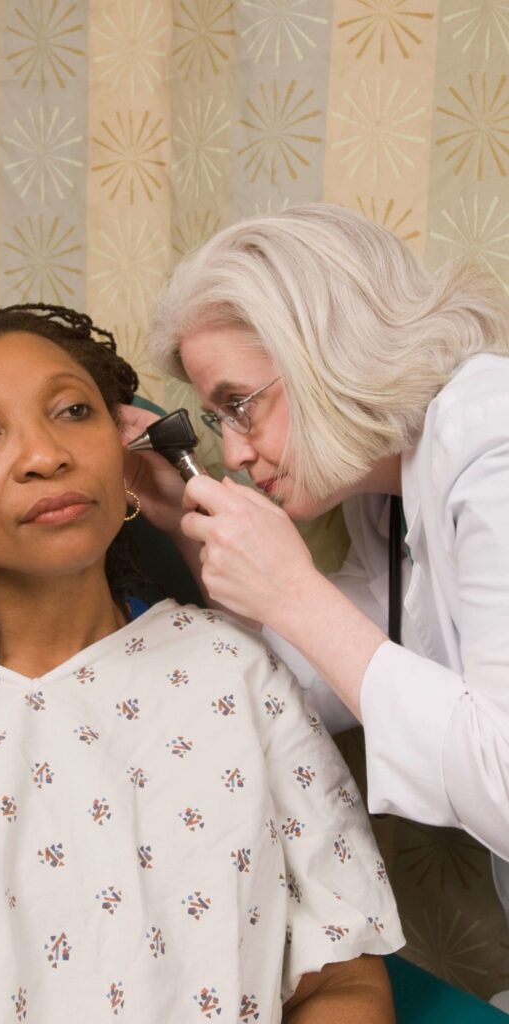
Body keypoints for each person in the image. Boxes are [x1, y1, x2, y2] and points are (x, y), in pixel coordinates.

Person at [0, 305, 404, 1023]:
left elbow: (342, 983)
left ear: (123, 451)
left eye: (73, 411)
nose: (46, 454)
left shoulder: (235, 673)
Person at [122, 203, 509, 932]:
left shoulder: (493, 449)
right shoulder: (383, 486)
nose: (233, 454)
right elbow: (317, 681)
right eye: (216, 420)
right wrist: (183, 521)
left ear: (328, 351)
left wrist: (294, 593)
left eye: (240, 405)